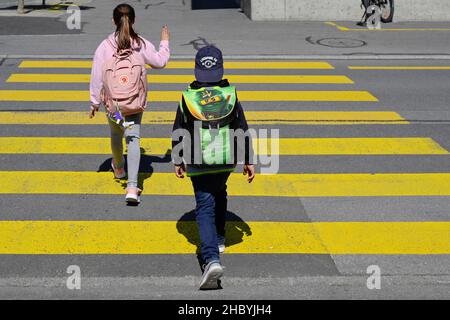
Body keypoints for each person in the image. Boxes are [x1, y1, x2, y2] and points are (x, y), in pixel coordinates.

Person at [171, 46, 255, 290]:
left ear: (197, 71)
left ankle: (211, 259)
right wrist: (248, 159)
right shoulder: (230, 95)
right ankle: (219, 238)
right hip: (227, 159)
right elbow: (242, 127)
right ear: (221, 69)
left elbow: (178, 130)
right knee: (220, 191)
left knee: (205, 206)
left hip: (199, 160)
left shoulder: (188, 97)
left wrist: (178, 160)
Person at [89, 3, 170, 203]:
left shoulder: (105, 46)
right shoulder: (140, 43)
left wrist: (94, 102)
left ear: (113, 21)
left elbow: (96, 75)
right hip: (134, 103)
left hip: (114, 106)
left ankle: (118, 167)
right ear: (133, 21)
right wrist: (165, 42)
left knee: (117, 133)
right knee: (133, 138)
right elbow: (160, 62)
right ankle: (132, 188)